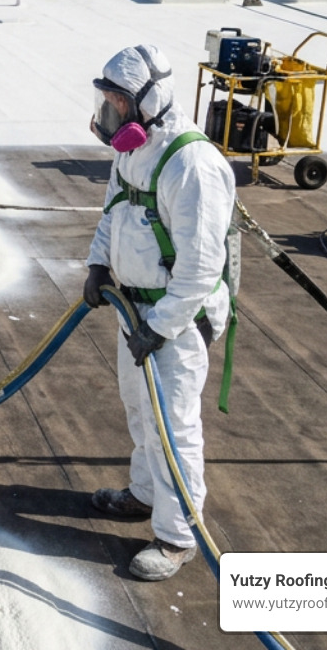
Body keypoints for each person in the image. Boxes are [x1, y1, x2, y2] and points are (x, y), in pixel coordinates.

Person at [82, 44, 235, 581]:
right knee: (139, 408)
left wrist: (160, 326)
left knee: (173, 427)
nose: (109, 114)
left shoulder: (190, 164)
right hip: (134, 309)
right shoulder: (132, 150)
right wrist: (99, 265)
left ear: (148, 102)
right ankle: (145, 494)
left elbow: (199, 267)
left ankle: (176, 538)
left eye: (117, 103)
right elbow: (114, 209)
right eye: (105, 101)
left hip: (175, 319)